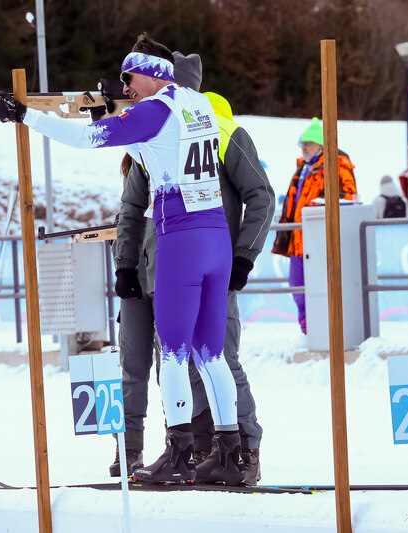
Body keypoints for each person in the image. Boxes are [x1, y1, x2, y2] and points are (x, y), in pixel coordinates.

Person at [0, 33, 244, 484]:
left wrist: (26, 115)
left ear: (151, 74)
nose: (126, 88)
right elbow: (152, 149)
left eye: (130, 79)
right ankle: (229, 453)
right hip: (216, 235)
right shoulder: (198, 105)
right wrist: (110, 113)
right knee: (211, 354)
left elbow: (86, 139)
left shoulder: (156, 109)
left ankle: (180, 453)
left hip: (180, 238)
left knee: (174, 353)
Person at [109, 52, 274, 486]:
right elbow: (131, 206)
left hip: (211, 267)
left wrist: (244, 256)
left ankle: (243, 453)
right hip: (159, 270)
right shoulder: (154, 133)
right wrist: (126, 264)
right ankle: (199, 450)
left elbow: (261, 196)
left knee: (218, 359)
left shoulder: (222, 131)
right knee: (172, 363)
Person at [271, 117, 357, 334]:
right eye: (302, 144)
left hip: (322, 238)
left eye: (308, 144)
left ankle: (327, 330)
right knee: (298, 286)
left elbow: (349, 197)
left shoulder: (338, 164)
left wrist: (315, 208)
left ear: (321, 144)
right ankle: (308, 329)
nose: (303, 148)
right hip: (298, 239)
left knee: (323, 285)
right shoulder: (303, 168)